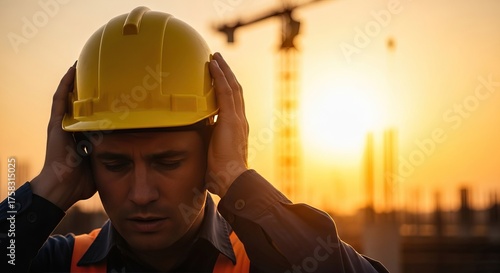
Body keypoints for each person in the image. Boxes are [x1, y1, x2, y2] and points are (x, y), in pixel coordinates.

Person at [1, 7, 388, 273]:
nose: (140, 194)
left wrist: (238, 179)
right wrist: (49, 188)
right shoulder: (58, 263)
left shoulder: (265, 262)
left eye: (167, 162)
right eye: (115, 164)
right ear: (86, 161)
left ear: (210, 152)